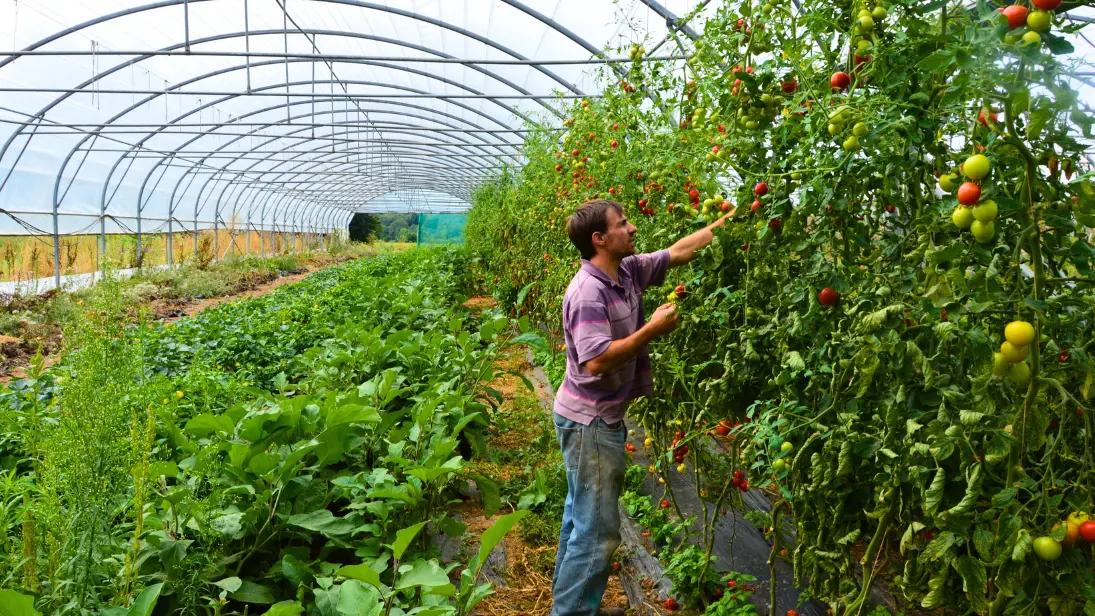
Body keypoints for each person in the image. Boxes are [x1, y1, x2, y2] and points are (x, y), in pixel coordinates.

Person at [550, 199, 735, 616]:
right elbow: (596, 360)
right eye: (623, 224)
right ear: (600, 239)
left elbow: (679, 251)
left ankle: (568, 606)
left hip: (593, 419)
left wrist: (731, 222)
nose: (632, 228)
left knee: (580, 519)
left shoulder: (626, 270)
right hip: (590, 424)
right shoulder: (588, 292)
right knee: (597, 533)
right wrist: (650, 330)